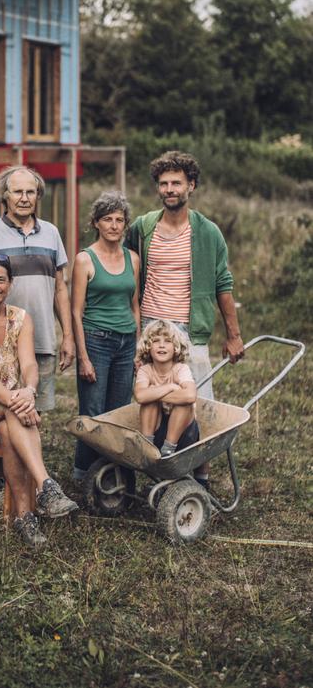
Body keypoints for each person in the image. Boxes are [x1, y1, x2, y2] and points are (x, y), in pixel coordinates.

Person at [125, 150, 244, 487]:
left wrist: (233, 334)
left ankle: (200, 475)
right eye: (163, 183)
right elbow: (123, 271)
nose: (169, 189)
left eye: (176, 182)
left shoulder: (208, 233)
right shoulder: (143, 228)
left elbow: (223, 285)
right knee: (149, 398)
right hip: (151, 328)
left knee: (198, 402)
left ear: (191, 185)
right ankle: (151, 466)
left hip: (191, 331)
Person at [0, 254, 78, 549]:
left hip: (10, 407)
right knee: (15, 412)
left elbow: (30, 365)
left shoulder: (20, 318)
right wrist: (17, 400)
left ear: (10, 284)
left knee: (11, 426)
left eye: (0, 280)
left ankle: (24, 517)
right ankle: (46, 486)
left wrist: (29, 392)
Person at [0, 166, 75, 414]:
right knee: (0, 410)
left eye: (31, 192)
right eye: (18, 192)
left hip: (42, 339)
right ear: (5, 195)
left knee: (34, 411)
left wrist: (67, 336)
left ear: (38, 196)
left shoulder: (52, 233)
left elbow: (60, 288)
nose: (24, 198)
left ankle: (28, 452)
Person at [71, 191, 140, 481]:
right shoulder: (85, 260)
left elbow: (134, 306)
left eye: (119, 220)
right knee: (93, 412)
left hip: (126, 343)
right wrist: (83, 357)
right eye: (107, 219)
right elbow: (76, 312)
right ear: (96, 223)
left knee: (120, 410)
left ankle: (111, 473)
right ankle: (83, 473)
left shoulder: (133, 259)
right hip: (96, 341)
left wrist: (138, 348)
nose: (114, 225)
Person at [134, 320, 199, 457]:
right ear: (148, 346)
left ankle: (168, 450)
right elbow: (140, 396)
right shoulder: (146, 370)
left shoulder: (181, 369)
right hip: (156, 431)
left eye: (168, 341)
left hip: (183, 434)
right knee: (149, 402)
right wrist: (171, 387)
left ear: (176, 346)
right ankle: (147, 445)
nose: (161, 345)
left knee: (184, 404)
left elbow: (190, 396)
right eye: (156, 341)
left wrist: (153, 392)